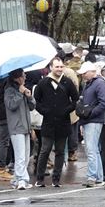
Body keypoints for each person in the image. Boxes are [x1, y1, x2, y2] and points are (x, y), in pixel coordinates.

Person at [33, 57, 79, 188]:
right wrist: (44, 111)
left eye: (61, 67)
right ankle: (40, 178)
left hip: (63, 122)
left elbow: (75, 100)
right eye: (57, 67)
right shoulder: (43, 83)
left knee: (60, 151)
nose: (59, 69)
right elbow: (36, 101)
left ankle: (56, 179)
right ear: (51, 67)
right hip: (48, 122)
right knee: (45, 150)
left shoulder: (67, 82)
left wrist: (67, 110)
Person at [77, 61, 105, 187]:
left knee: (91, 149)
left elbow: (103, 103)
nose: (83, 75)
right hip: (90, 119)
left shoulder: (98, 83)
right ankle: (98, 176)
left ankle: (92, 176)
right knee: (93, 149)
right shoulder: (92, 83)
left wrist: (90, 113)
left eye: (85, 73)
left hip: (93, 120)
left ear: (92, 72)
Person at [4, 69, 35, 190]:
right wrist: (19, 94)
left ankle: (16, 178)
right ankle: (22, 179)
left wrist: (29, 96)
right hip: (16, 127)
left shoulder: (23, 89)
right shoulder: (9, 91)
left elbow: (32, 107)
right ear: (17, 78)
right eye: (23, 75)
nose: (25, 77)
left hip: (26, 126)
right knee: (20, 155)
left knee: (26, 155)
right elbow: (11, 105)